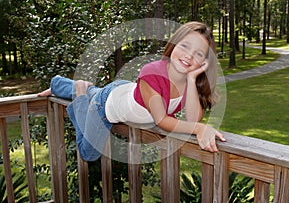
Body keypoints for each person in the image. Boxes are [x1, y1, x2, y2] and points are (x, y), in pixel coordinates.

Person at [38, 21, 226, 161]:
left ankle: (63, 84)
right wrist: (200, 128)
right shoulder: (152, 72)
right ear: (174, 44)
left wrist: (193, 79)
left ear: (204, 62)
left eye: (199, 53)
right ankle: (80, 93)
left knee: (96, 92)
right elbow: (161, 120)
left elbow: (192, 119)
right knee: (89, 153)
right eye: (185, 46)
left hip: (124, 91)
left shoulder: (189, 81)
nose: (189, 55)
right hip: (107, 105)